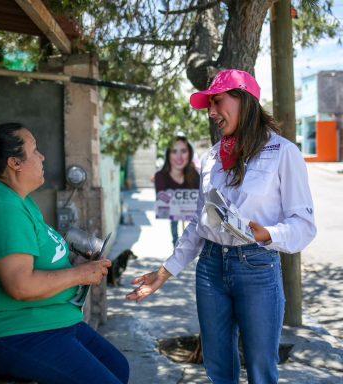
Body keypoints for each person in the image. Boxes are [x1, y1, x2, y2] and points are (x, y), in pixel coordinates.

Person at [127, 69, 316, 384]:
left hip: (257, 266)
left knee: (260, 367)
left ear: (243, 99)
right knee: (217, 366)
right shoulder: (212, 158)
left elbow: (304, 226)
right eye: (209, 106)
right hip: (211, 267)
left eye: (217, 102)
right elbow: (199, 225)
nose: (212, 113)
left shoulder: (283, 153)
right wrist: (163, 273)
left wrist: (269, 234)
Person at [0, 122, 129, 384]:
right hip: (13, 332)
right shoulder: (2, 209)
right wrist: (79, 274)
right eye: (35, 150)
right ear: (15, 163)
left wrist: (76, 264)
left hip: (48, 322)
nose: (42, 156)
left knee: (118, 367)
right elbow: (20, 286)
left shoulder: (19, 200)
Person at [154, 136, 200, 246]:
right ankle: (175, 243)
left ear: (189, 154)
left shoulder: (194, 174)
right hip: (174, 209)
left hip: (189, 211)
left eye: (183, 151)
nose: (179, 156)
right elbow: (160, 196)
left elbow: (199, 194)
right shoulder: (160, 176)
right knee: (174, 223)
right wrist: (173, 200)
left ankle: (188, 243)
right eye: (174, 151)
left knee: (192, 226)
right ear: (168, 155)